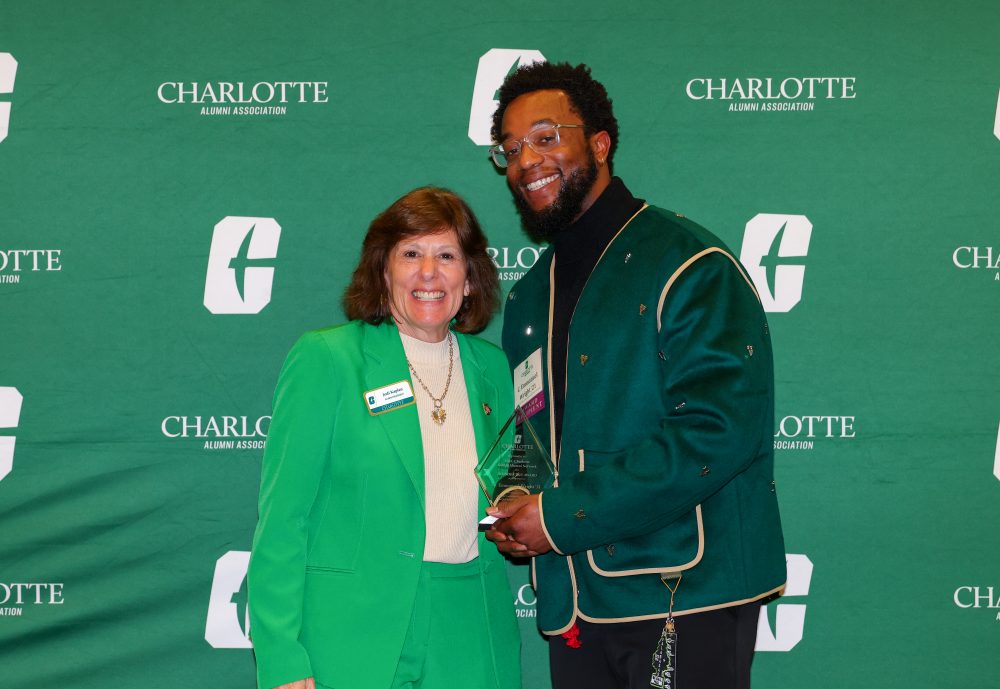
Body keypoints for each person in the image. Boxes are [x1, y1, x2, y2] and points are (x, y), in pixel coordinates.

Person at [483, 62, 787, 689]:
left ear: (599, 143)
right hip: (574, 607)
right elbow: (535, 433)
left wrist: (561, 516)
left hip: (686, 595)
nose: (525, 161)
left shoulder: (689, 263)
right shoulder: (528, 298)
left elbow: (718, 433)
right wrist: (518, 494)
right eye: (510, 150)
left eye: (545, 137)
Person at [248, 187, 521, 689]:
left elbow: (504, 493)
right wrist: (281, 655)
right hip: (352, 633)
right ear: (383, 270)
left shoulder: (493, 370)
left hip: (471, 627)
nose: (428, 273)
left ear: (470, 277)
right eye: (411, 254)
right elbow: (284, 519)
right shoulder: (327, 360)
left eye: (446, 256)